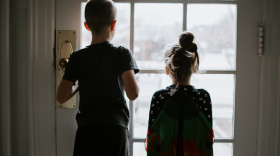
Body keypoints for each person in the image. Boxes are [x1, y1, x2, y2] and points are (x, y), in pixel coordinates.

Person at [56, 0, 139, 155]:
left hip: (87, 130)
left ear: (86, 26)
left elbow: (61, 97)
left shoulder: (77, 57)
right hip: (115, 129)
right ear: (113, 24)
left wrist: (82, 82)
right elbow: (133, 94)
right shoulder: (122, 54)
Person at [145, 32, 214, 156]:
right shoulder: (203, 97)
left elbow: (152, 138)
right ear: (194, 67)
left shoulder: (159, 98)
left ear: (167, 69)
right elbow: (207, 139)